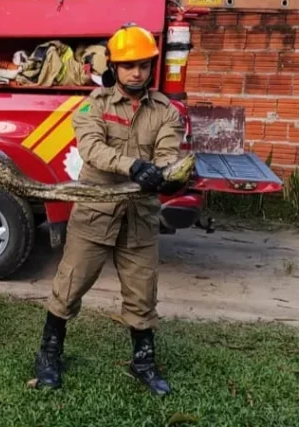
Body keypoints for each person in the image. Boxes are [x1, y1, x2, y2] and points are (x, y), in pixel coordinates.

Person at [32, 23, 187, 395]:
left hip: (140, 216)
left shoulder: (166, 111)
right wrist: (133, 167)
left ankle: (143, 361)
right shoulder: (94, 105)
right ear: (114, 67)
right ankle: (49, 354)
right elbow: (92, 149)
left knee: (142, 292)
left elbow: (168, 154)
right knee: (70, 285)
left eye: (144, 65)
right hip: (95, 211)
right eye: (129, 65)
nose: (137, 73)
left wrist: (166, 174)